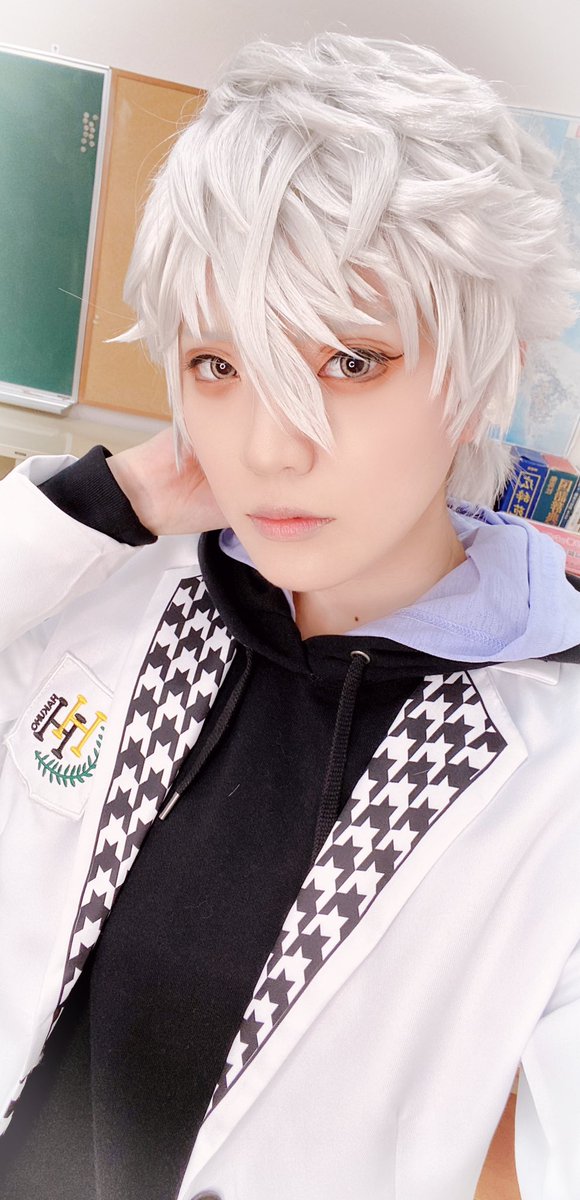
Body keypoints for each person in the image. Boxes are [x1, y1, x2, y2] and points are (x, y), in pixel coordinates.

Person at [0, 31, 579, 1200]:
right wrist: (108, 501)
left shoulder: (552, 760)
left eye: (350, 362)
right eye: (220, 365)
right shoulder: (107, 590)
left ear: (488, 374)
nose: (268, 446)